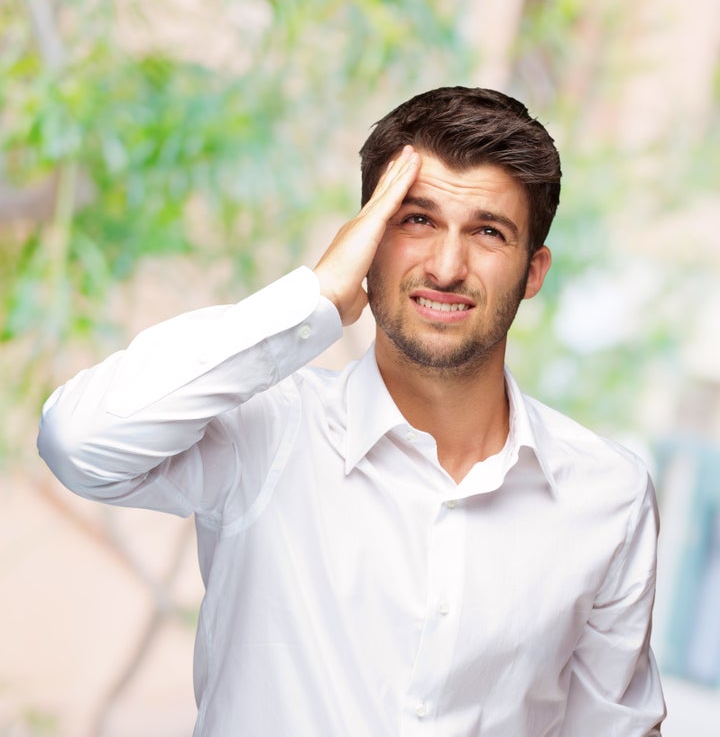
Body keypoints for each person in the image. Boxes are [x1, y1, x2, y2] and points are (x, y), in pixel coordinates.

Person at [38, 87, 666, 736]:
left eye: (487, 232)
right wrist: (316, 301)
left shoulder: (608, 496)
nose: (447, 267)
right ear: (367, 240)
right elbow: (79, 442)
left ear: (533, 271)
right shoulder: (268, 429)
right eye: (415, 220)